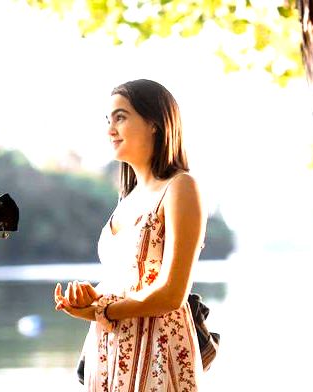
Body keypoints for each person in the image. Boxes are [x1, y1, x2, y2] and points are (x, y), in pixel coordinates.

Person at [53, 79, 206, 391]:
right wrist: (89, 298)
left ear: (154, 123)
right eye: (108, 120)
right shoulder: (128, 198)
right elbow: (125, 281)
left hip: (158, 353)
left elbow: (171, 293)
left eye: (120, 117)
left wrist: (102, 311)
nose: (110, 129)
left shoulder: (180, 187)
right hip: (109, 350)